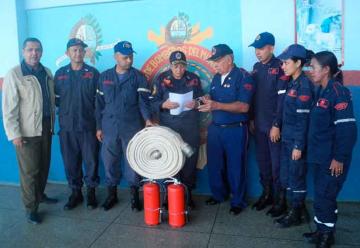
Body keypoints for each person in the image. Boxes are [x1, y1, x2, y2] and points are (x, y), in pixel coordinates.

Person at [303, 51, 357, 248]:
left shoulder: (338, 92)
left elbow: (347, 130)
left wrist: (339, 158)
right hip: (319, 156)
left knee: (326, 196)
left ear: (326, 70)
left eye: (314, 68)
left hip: (332, 159)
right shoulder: (321, 91)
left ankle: (328, 236)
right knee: (321, 195)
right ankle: (321, 230)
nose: (310, 72)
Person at [2, 37, 58, 225]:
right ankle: (30, 208)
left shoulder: (46, 72)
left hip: (45, 128)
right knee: (29, 172)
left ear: (41, 52)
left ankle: (40, 195)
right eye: (30, 50)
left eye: (37, 50)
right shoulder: (14, 74)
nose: (34, 53)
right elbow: (9, 108)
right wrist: (14, 134)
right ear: (23, 52)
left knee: (43, 166)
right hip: (26, 132)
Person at [95, 41, 153, 211]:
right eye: (125, 57)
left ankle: (135, 197)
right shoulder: (104, 77)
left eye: (131, 57)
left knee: (132, 162)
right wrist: (98, 127)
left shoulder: (139, 77)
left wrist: (148, 119)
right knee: (109, 161)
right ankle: (111, 195)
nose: (129, 60)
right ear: (115, 57)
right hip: (109, 127)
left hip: (131, 127)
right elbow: (98, 104)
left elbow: (143, 103)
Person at [198, 44, 255, 215]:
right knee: (215, 165)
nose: (214, 65)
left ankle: (238, 201)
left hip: (235, 130)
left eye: (218, 61)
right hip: (216, 129)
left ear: (229, 60)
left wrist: (215, 105)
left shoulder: (244, 77)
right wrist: (208, 98)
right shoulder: (216, 77)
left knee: (235, 167)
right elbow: (213, 97)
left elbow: (244, 107)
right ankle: (218, 195)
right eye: (213, 61)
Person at [151, 50, 204, 209]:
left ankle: (187, 196)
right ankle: (169, 196)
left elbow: (202, 99)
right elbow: (152, 101)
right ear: (170, 65)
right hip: (169, 126)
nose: (179, 69)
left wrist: (196, 103)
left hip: (189, 126)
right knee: (170, 160)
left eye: (182, 66)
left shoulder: (193, 79)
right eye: (175, 66)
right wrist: (163, 104)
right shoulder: (162, 79)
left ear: (185, 65)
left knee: (189, 161)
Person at [54, 38, 100, 210]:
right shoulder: (60, 74)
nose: (78, 53)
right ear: (67, 53)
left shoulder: (93, 73)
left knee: (91, 161)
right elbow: (57, 100)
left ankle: (91, 193)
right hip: (67, 128)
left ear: (85, 52)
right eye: (74, 50)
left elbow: (98, 102)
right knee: (70, 162)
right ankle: (76, 193)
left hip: (88, 126)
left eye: (81, 50)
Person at [249, 32, 289, 217]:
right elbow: (252, 97)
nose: (258, 52)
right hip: (258, 125)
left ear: (271, 48)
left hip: (274, 128)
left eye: (262, 48)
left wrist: (277, 124)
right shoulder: (256, 68)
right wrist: (250, 119)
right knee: (263, 163)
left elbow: (283, 102)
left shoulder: (281, 68)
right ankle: (267, 195)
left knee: (277, 166)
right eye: (256, 48)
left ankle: (281, 201)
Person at [274, 44, 313, 228]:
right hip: (287, 138)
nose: (283, 66)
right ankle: (297, 210)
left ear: (298, 63)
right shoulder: (292, 82)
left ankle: (295, 213)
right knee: (287, 176)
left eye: (286, 62)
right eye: (282, 62)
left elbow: (303, 120)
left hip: (295, 141)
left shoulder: (304, 85)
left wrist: (298, 146)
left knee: (296, 177)